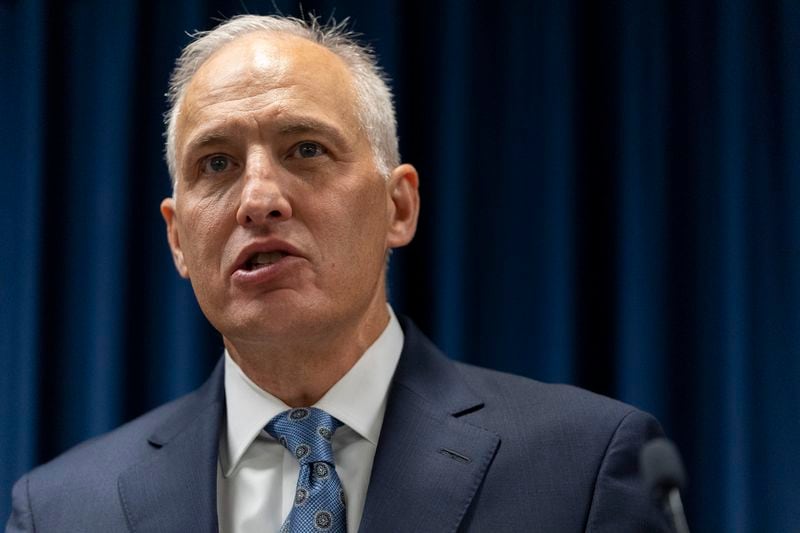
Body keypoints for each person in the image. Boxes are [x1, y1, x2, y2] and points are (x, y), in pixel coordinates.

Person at [6, 14, 669, 532]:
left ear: (398, 205)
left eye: (305, 148)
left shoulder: (585, 465)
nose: (259, 198)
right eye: (216, 163)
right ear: (179, 238)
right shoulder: (60, 509)